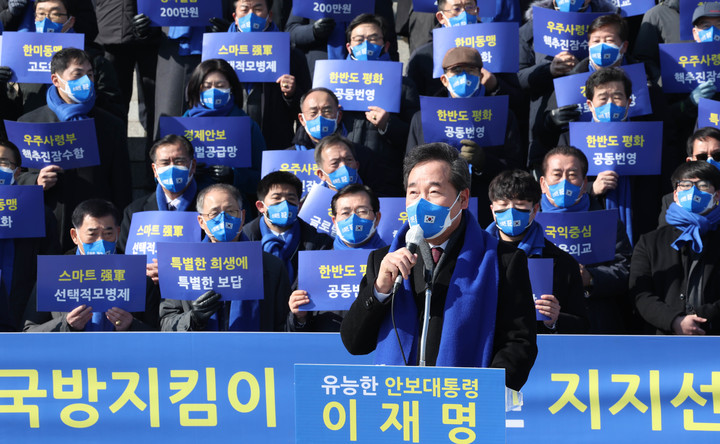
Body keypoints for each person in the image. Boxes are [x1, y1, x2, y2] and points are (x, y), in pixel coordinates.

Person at [340, 143, 537, 391]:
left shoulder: (502, 260)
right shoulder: (383, 260)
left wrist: (489, 391)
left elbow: (519, 341)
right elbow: (354, 343)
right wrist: (379, 290)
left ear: (462, 198)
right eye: (413, 193)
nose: (421, 203)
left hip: (464, 406)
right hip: (397, 405)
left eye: (433, 192)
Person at [16, 48, 131, 251]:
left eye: (90, 75)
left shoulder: (110, 124)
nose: (86, 81)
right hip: (48, 219)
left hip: (95, 227)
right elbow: (15, 177)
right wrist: (35, 181)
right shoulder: (30, 122)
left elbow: (121, 183)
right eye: (78, 75)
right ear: (56, 79)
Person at [406, 46, 524, 226]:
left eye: (470, 71)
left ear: (481, 76)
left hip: (487, 208)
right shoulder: (423, 118)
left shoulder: (503, 115)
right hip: (437, 210)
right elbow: (410, 170)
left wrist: (484, 162)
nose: (464, 77)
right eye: (456, 71)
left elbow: (517, 169)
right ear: (444, 80)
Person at [159, 183, 291, 331]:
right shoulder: (182, 266)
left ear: (242, 217)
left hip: (254, 351)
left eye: (231, 212)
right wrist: (193, 317)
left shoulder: (270, 266)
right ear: (201, 222)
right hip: (200, 352)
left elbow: (283, 326)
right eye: (214, 214)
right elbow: (166, 323)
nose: (223, 219)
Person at [23, 199, 160, 331]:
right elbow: (28, 331)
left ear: (118, 233)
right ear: (74, 236)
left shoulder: (138, 278)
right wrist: (66, 324)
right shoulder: (52, 276)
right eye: (92, 234)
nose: (101, 241)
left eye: (108, 234)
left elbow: (159, 334)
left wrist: (131, 325)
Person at [540, 145, 633, 333]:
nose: (564, 181)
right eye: (557, 174)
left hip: (595, 321)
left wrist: (591, 278)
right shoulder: (531, 221)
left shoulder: (605, 220)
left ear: (584, 183)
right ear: (543, 183)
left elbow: (626, 269)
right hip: (542, 324)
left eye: (572, 175)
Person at [519, 0, 617, 173]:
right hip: (550, 127)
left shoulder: (608, 24)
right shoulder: (534, 26)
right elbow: (519, 78)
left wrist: (587, 65)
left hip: (600, 132)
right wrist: (548, 70)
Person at [486, 169, 588, 333]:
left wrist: (554, 320)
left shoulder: (562, 262)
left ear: (534, 210)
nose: (511, 212)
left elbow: (582, 324)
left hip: (539, 352)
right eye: (503, 205)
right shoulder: (474, 255)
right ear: (492, 210)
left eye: (520, 205)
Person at [631, 161, 720, 335]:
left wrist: (702, 318)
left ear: (717, 196)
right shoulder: (650, 242)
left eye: (703, 186)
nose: (693, 192)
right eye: (685, 186)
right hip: (664, 342)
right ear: (675, 195)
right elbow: (640, 294)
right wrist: (674, 320)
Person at [340, 14, 420, 196]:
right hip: (344, 173)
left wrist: (388, 124)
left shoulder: (403, 84)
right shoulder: (332, 81)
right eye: (359, 40)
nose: (366, 45)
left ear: (386, 45)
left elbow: (416, 134)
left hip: (386, 173)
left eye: (373, 39)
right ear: (349, 46)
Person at [288, 183, 386, 332]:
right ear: (334, 221)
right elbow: (296, 331)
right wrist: (299, 318)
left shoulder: (393, 260)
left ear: (377, 218)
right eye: (345, 213)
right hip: (327, 350)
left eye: (362, 211)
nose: (353, 218)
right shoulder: (315, 263)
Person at [226, 0, 312, 150]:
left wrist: (291, 94)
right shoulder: (219, 53)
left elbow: (306, 109)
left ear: (270, 15)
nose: (251, 16)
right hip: (231, 142)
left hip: (274, 144)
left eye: (258, 9)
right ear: (235, 16)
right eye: (244, 10)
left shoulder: (291, 56)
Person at [182, 58, 267, 201]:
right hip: (191, 205)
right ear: (197, 88)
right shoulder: (181, 125)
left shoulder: (247, 126)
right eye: (207, 86)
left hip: (233, 205)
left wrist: (235, 176)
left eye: (220, 85)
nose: (213, 91)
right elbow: (160, 172)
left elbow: (263, 177)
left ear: (231, 88)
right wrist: (187, 174)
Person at [118, 134, 198, 284]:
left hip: (191, 295)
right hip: (147, 296)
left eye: (179, 161)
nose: (172, 168)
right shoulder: (136, 211)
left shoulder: (209, 209)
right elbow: (123, 258)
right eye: (165, 163)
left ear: (192, 166)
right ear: (155, 169)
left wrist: (174, 270)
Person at [0, 140, 61, 331]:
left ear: (17, 171)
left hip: (21, 311)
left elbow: (50, 268)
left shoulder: (39, 214)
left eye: (3, 163)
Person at [291, 87, 395, 196]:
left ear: (339, 115)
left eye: (327, 111)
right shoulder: (288, 157)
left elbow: (383, 192)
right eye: (313, 113)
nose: (320, 117)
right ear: (302, 119)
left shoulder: (363, 155)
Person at [242, 171, 333, 288]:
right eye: (277, 198)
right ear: (261, 206)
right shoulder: (243, 240)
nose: (284, 203)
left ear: (299, 206)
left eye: (291, 198)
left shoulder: (319, 243)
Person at [658, 127, 720, 226]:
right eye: (702, 157)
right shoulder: (672, 200)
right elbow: (664, 237)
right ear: (689, 161)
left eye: (717, 156)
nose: (710, 162)